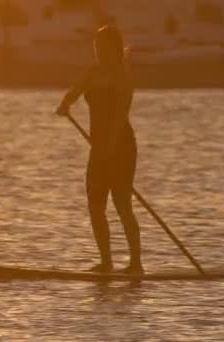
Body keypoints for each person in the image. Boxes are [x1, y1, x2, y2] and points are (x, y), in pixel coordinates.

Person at [55, 25, 143, 274]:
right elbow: (74, 91)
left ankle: (136, 264)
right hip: (99, 148)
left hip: (122, 146)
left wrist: (110, 148)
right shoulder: (92, 72)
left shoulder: (122, 78)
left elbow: (118, 117)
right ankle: (106, 262)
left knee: (122, 203)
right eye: (96, 46)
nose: (98, 51)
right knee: (95, 205)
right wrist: (65, 104)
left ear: (115, 49)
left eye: (103, 47)